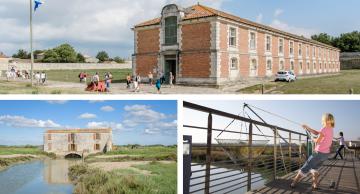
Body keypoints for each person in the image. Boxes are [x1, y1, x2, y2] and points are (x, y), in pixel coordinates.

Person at [290, 113, 335, 190]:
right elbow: (317, 132)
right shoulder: (331, 129)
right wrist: (307, 128)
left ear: (325, 120)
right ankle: (315, 185)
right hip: (325, 154)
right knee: (314, 168)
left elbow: (317, 140)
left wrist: (312, 139)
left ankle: (294, 182)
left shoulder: (324, 129)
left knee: (305, 167)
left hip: (318, 154)